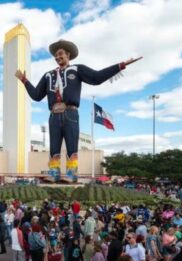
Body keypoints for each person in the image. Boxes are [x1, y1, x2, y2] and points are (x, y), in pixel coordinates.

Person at [16, 39, 141, 182]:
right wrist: (24, 80)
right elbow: (37, 95)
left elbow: (96, 77)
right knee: (54, 147)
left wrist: (120, 65)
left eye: (61, 54)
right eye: (56, 55)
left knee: (71, 145)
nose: (58, 57)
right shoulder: (48, 75)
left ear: (68, 54)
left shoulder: (77, 70)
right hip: (54, 115)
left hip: (71, 113)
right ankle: (54, 173)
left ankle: (71, 175)